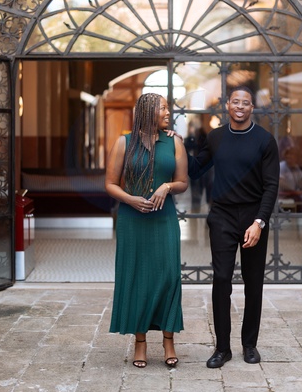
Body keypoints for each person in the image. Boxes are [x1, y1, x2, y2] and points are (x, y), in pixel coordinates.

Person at [187, 86, 279, 368]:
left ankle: (249, 345)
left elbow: (271, 185)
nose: (240, 106)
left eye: (245, 103)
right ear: (227, 105)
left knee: (254, 283)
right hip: (223, 216)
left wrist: (259, 222)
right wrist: (175, 145)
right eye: (235, 102)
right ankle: (222, 348)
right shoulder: (215, 137)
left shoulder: (265, 140)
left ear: (252, 108)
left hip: (253, 217)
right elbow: (195, 169)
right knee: (221, 280)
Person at [106, 92, 188, 368]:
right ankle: (140, 342)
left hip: (164, 219)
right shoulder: (124, 142)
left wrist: (167, 186)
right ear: (147, 111)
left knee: (168, 276)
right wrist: (130, 199)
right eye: (163, 108)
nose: (168, 112)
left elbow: (183, 182)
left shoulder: (174, 142)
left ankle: (168, 340)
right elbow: (110, 184)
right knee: (138, 277)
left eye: (167, 107)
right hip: (133, 220)